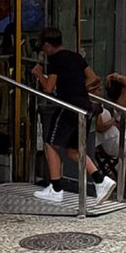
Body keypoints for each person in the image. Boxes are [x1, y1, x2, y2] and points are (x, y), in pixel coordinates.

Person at [31, 27, 114, 205]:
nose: (44, 51)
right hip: (84, 105)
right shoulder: (76, 56)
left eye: (43, 47)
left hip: (68, 106)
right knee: (74, 150)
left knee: (50, 144)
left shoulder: (55, 59)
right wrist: (81, 88)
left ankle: (55, 188)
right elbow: (94, 78)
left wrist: (39, 74)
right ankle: (101, 180)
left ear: (47, 44)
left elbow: (48, 88)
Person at [94, 73, 126, 183]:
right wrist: (114, 120)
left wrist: (115, 77)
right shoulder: (105, 107)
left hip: (116, 139)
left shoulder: (106, 107)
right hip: (113, 143)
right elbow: (100, 127)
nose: (101, 92)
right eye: (98, 89)